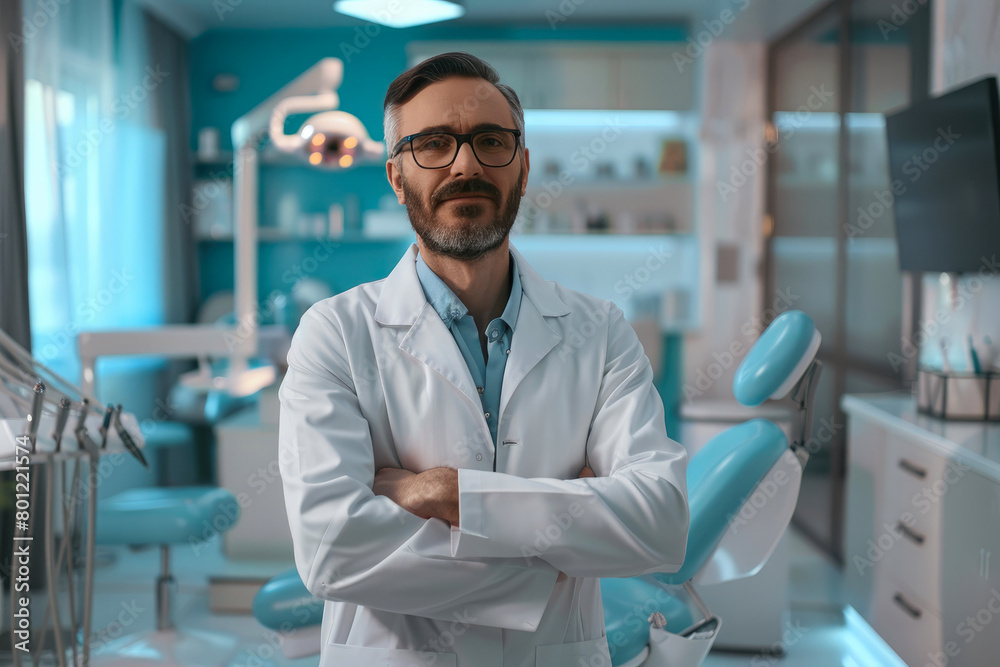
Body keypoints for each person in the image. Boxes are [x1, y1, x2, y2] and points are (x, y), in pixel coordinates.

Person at [278, 52, 689, 667]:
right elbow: (331, 550)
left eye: (489, 141)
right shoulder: (334, 333)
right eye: (433, 144)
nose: (465, 164)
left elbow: (660, 525)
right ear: (396, 176)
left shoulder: (600, 332)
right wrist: (553, 552)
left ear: (522, 169)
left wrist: (445, 494)